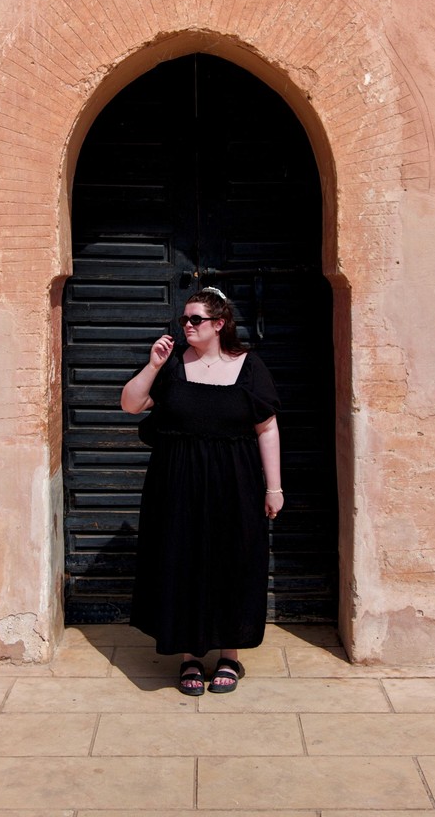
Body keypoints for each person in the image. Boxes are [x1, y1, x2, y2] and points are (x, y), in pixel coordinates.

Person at [121, 286, 283, 695]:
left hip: (236, 483)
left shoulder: (249, 366)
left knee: (233, 560)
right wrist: (153, 365)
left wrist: (274, 488)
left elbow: (267, 428)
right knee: (182, 560)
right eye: (184, 319)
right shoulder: (173, 365)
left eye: (195, 319)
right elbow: (130, 404)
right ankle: (189, 656)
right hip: (176, 484)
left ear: (219, 323)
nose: (187, 326)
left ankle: (230, 654)